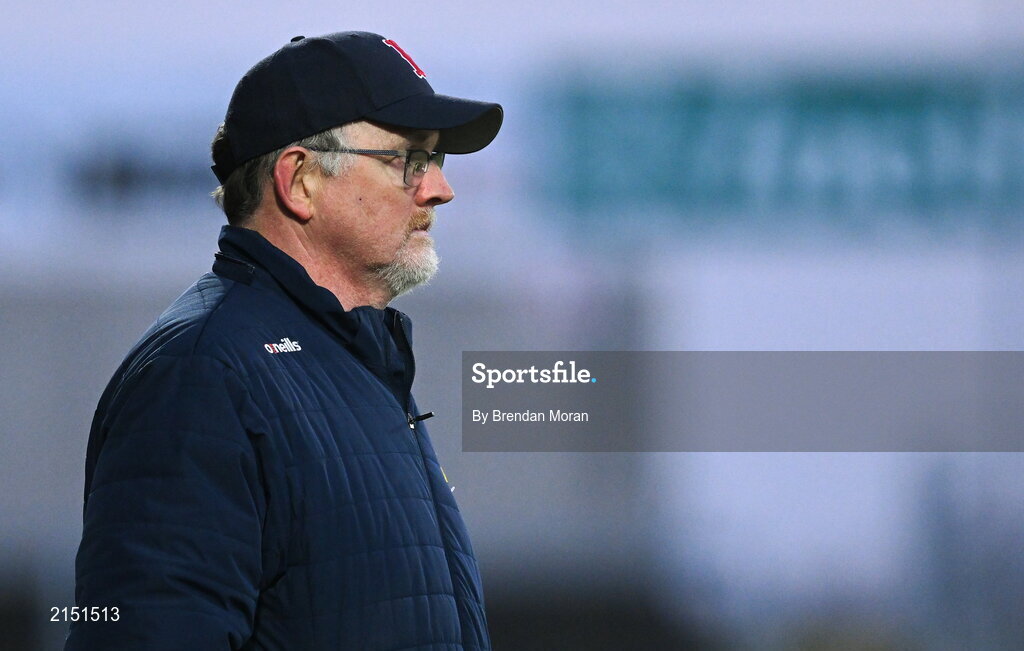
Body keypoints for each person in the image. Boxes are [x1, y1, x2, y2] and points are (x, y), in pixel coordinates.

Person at [66, 31, 502, 650]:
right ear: (299, 180)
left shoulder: (355, 365)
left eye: (436, 161)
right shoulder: (202, 373)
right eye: (408, 159)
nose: (438, 189)